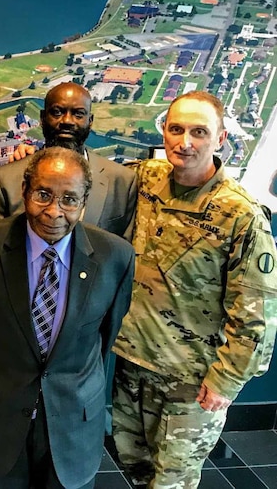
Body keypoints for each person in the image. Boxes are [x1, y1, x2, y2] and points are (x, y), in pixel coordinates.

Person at [111, 91, 277, 487]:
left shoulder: (241, 215)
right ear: (165, 133)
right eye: (176, 129)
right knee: (136, 470)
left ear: (220, 139)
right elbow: (86, 175)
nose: (185, 142)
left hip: (191, 383)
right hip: (132, 366)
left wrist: (226, 381)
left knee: (173, 481)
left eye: (199, 132)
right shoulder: (145, 178)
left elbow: (258, 315)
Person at [0, 147, 134, 489]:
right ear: (24, 191)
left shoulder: (115, 257)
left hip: (73, 429)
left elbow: (104, 337)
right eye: (43, 194)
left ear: (83, 203)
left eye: (68, 199)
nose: (54, 211)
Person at [0, 82, 136, 240]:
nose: (67, 121)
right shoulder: (5, 180)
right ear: (42, 118)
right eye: (57, 112)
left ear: (90, 121)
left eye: (78, 114)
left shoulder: (122, 182)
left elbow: (123, 254)